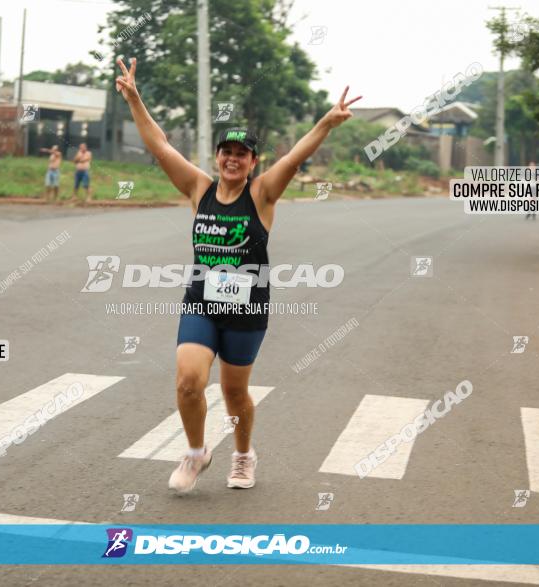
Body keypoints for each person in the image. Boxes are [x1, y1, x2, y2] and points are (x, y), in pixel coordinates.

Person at [114, 56, 361, 494]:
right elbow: (160, 146)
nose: (232, 159)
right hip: (201, 302)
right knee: (189, 380)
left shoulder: (263, 194)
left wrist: (325, 122)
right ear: (217, 156)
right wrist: (135, 98)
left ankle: (244, 454)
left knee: (233, 394)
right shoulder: (199, 188)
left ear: (252, 161)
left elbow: (295, 156)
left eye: (241, 154)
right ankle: (195, 453)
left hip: (247, 308)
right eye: (226, 152)